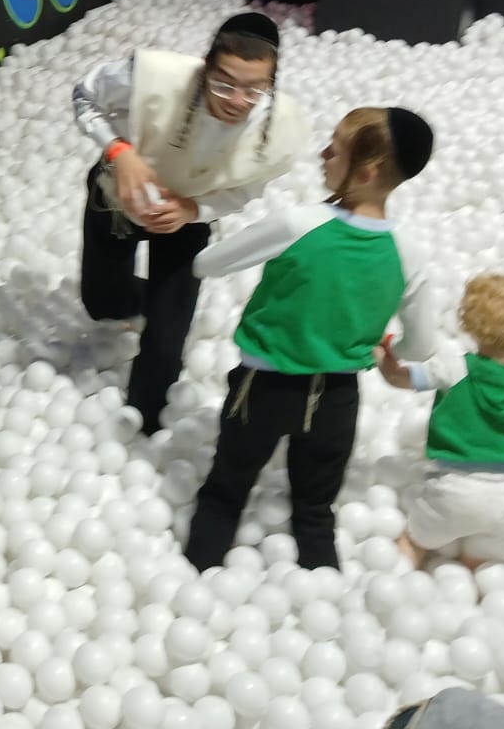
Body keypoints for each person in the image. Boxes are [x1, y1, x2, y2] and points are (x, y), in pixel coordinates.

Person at [183, 107, 438, 572]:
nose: (322, 154)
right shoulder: (410, 252)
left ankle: (198, 575)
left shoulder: (299, 223)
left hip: (261, 389)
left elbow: (207, 264)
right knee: (316, 511)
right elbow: (421, 346)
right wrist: (389, 352)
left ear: (366, 171)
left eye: (334, 150)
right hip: (336, 399)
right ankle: (323, 590)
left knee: (225, 493)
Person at [73, 11, 308, 432]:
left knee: (167, 337)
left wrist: (192, 210)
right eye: (224, 84)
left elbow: (247, 189)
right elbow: (85, 96)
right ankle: (135, 298)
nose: (237, 100)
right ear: (205, 68)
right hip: (116, 198)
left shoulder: (281, 128)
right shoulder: (152, 76)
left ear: (271, 81)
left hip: (186, 217)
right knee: (103, 303)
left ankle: (145, 423)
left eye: (254, 89)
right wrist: (118, 152)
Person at [377, 274, 504, 570]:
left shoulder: (455, 368)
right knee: (482, 568)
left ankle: (399, 579)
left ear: (468, 325)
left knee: (413, 542)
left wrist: (382, 352)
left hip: (453, 491)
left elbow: (397, 378)